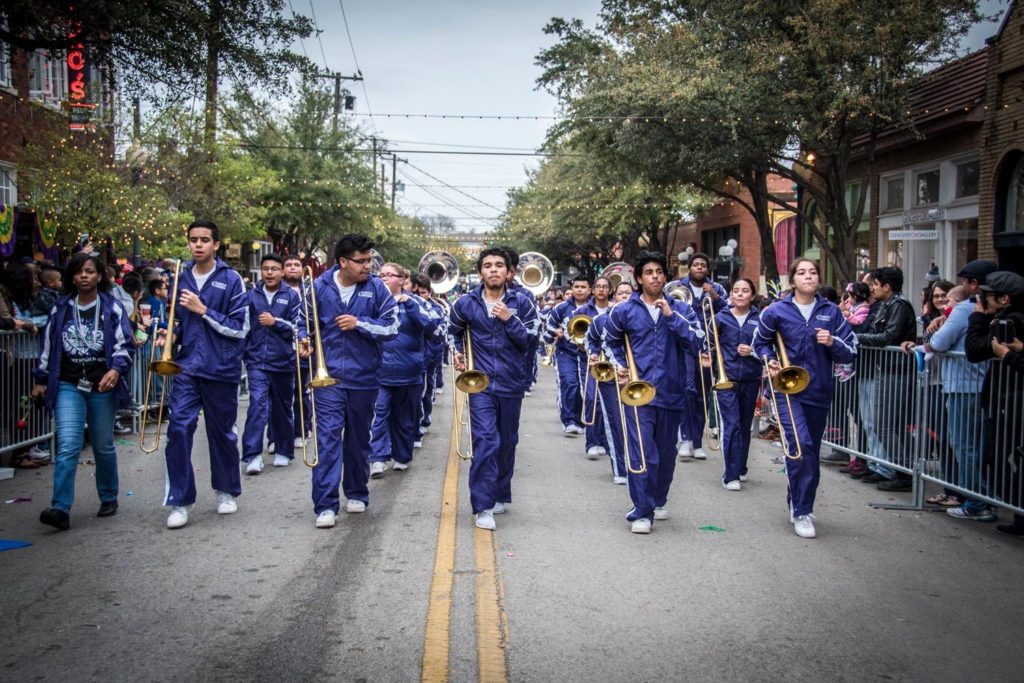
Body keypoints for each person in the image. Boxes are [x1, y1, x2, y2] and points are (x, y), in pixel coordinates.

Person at [753, 258, 858, 539]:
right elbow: (759, 342)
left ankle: (798, 499)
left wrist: (833, 342)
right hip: (786, 391)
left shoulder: (831, 312)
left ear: (819, 279)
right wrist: (770, 359)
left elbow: (851, 350)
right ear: (793, 280)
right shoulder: (776, 311)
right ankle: (802, 511)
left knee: (808, 452)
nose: (808, 277)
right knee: (800, 444)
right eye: (802, 273)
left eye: (813, 273)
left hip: (818, 390)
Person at [32, 252, 134, 530]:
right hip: (68, 384)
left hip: (103, 385)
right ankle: (60, 508)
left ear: (99, 276)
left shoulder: (112, 307)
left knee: (102, 445)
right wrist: (40, 379)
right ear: (72, 277)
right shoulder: (60, 308)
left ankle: (109, 497)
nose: (84, 276)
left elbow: (125, 344)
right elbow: (49, 346)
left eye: (90, 271)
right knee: (67, 445)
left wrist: (116, 370)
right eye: (79, 272)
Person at [160, 219, 251, 529]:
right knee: (178, 429)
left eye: (204, 240)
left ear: (216, 245)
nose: (197, 245)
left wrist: (204, 310)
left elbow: (240, 328)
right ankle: (180, 500)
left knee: (222, 432)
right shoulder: (179, 277)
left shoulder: (232, 279)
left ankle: (226, 491)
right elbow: (178, 321)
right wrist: (169, 334)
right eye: (193, 239)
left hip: (221, 368)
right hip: (187, 367)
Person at [605, 251, 702, 534]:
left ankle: (658, 499)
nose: (655, 276)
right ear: (639, 278)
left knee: (666, 455)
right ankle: (643, 510)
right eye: (649, 272)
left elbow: (698, 342)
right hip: (637, 393)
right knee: (642, 452)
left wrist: (672, 318)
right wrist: (620, 366)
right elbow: (609, 342)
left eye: (659, 272)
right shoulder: (623, 310)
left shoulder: (682, 310)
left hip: (672, 391)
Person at [309, 235, 398, 529]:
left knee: (359, 439)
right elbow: (302, 322)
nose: (368, 266)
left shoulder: (377, 288)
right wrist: (301, 340)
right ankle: (325, 504)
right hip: (329, 378)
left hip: (364, 377)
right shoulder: (318, 286)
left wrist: (359, 324)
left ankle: (357, 491)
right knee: (328, 438)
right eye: (361, 261)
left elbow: (392, 326)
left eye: (369, 259)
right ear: (343, 262)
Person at [448, 247, 537, 531]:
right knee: (486, 440)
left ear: (509, 272)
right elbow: (452, 332)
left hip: (512, 382)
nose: (494, 270)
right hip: (480, 384)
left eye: (500, 265)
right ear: (480, 272)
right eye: (488, 265)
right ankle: (482, 505)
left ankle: (500, 492)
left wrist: (509, 319)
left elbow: (531, 341)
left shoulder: (523, 303)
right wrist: (458, 352)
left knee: (507, 442)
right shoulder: (465, 303)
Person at [905, 260, 995, 512]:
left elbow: (941, 342)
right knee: (966, 443)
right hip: (972, 382)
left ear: (974, 284)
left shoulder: (965, 309)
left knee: (963, 443)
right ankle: (975, 497)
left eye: (965, 282)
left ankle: (974, 500)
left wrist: (934, 333)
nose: (961, 287)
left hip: (964, 384)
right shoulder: (976, 309)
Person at [964, 270, 1024, 527]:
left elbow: (974, 350)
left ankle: (1018, 507)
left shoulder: (1008, 322)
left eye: (986, 297)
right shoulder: (1003, 319)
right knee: (994, 457)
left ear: (1003, 299)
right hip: (1003, 397)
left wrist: (977, 317)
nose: (981, 301)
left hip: (1011, 399)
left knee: (994, 458)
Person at [368, 264, 441, 477]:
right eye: (381, 275)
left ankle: (401, 455)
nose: (384, 278)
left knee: (406, 418)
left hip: (410, 372)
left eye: (389, 275)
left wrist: (409, 303)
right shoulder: (372, 301)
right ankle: (378, 458)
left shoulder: (416, 301)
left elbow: (432, 326)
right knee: (379, 414)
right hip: (379, 372)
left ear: (402, 279)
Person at [241, 254, 304, 474]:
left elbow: (298, 327)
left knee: (282, 407)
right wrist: (245, 353)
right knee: (258, 405)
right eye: (266, 268)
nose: (270, 273)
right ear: (261, 271)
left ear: (282, 272)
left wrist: (275, 322)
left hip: (283, 361)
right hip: (257, 360)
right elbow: (244, 327)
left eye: (274, 269)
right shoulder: (251, 296)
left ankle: (284, 450)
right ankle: (253, 455)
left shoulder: (292, 296)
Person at [856, 266, 917, 492]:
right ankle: (904, 470)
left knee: (885, 425)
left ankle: (904, 472)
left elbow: (887, 336)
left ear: (886, 286)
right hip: (885, 369)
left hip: (898, 370)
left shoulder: (899, 305)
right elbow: (875, 331)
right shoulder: (886, 305)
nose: (871, 287)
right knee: (888, 425)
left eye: (875, 284)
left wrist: (854, 337)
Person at [671, 252, 727, 461]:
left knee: (703, 394)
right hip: (684, 346)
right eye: (696, 265)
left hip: (707, 348)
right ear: (690, 267)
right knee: (687, 391)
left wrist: (715, 297)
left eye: (703, 265)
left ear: (707, 269)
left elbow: (728, 311)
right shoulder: (677, 287)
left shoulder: (717, 289)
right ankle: (685, 438)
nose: (700, 268)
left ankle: (697, 441)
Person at [712, 278, 763, 491]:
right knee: (731, 424)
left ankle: (740, 466)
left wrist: (752, 352)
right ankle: (730, 474)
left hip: (751, 378)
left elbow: (767, 348)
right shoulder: (719, 318)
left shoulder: (760, 318)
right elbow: (709, 344)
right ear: (731, 295)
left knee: (744, 425)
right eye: (736, 290)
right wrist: (711, 360)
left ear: (752, 295)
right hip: (727, 379)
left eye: (745, 290)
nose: (740, 294)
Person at [585, 280, 634, 484]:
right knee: (615, 422)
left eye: (628, 293)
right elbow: (590, 340)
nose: (624, 296)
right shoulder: (600, 319)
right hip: (610, 377)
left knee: (636, 423)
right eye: (621, 293)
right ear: (615, 297)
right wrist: (593, 354)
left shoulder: (641, 317)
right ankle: (620, 469)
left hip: (638, 377)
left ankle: (638, 465)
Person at [543, 275, 592, 436]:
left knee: (584, 388)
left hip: (587, 355)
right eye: (576, 286)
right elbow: (548, 326)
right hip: (566, 353)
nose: (579, 290)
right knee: (570, 383)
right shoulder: (562, 307)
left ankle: (580, 420)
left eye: (583, 287)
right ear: (572, 289)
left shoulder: (593, 308)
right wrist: (555, 332)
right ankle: (569, 420)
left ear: (589, 290)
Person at [574, 275, 613, 459]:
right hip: (588, 362)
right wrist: (584, 345)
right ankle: (592, 442)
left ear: (610, 290)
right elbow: (574, 334)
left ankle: (605, 441)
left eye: (605, 287)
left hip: (611, 364)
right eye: (598, 286)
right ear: (593, 290)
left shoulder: (616, 310)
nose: (601, 290)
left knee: (607, 403)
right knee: (591, 400)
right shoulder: (582, 310)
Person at [411, 273, 447, 438]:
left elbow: (439, 335)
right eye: (417, 293)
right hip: (410, 358)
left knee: (425, 390)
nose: (420, 297)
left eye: (423, 293)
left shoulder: (437, 308)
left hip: (427, 357)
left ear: (430, 292)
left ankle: (423, 419)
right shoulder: (407, 304)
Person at [282, 255, 311, 449]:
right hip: (282, 349)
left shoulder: (309, 290)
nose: (292, 268)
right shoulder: (276, 289)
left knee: (301, 393)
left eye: (296, 265)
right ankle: (278, 435)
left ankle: (302, 430)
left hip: (304, 347)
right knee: (281, 395)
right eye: (289, 265)